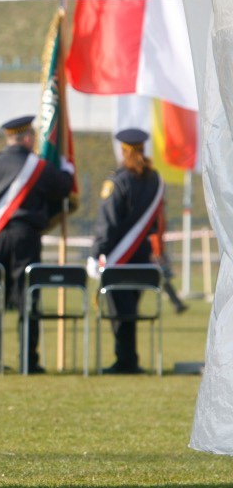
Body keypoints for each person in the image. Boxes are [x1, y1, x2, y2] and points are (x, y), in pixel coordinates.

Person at [0, 115, 74, 373]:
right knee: (28, 297)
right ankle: (29, 359)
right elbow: (63, 188)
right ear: (27, 138)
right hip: (26, 236)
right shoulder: (38, 167)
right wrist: (68, 168)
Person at [87, 128, 165, 374]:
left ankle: (126, 361)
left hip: (118, 258)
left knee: (120, 312)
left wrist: (95, 253)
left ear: (123, 150)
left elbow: (107, 224)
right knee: (129, 310)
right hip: (141, 257)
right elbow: (154, 222)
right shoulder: (154, 180)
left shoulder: (118, 180)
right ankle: (129, 358)